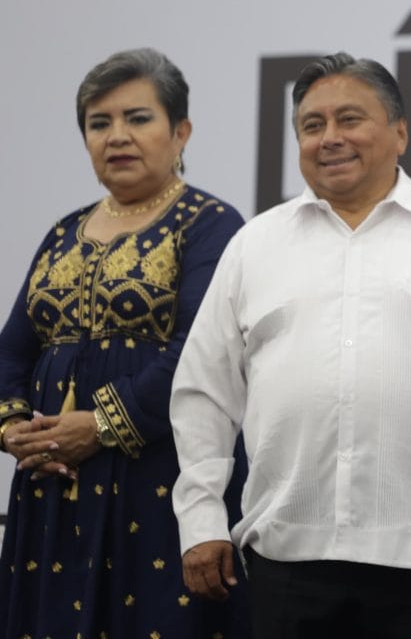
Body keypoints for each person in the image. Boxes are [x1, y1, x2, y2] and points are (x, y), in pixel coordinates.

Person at [170, 53, 411, 639]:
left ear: (400, 132)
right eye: (312, 125)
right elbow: (204, 393)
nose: (330, 139)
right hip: (285, 556)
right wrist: (201, 519)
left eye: (350, 120)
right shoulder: (256, 245)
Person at [0, 48, 248, 638]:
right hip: (53, 485)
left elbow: (198, 353)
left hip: (160, 481)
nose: (117, 136)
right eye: (99, 122)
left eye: (138, 118)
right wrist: (13, 429)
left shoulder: (211, 224)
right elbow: (13, 349)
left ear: (180, 131)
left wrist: (101, 424)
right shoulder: (64, 231)